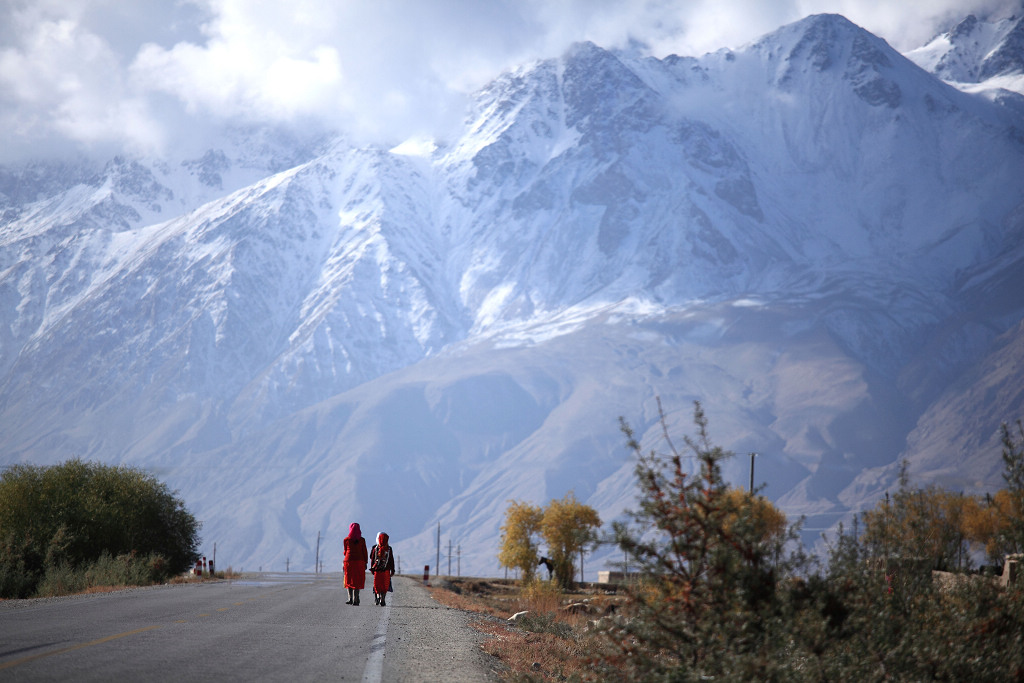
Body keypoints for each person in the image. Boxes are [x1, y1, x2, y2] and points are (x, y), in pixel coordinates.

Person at [343, 522, 368, 606]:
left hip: (349, 562)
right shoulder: (362, 540)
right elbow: (364, 552)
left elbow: (345, 551)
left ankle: (350, 598)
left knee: (348, 579)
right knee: (357, 580)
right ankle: (356, 598)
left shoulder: (346, 540)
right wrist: (366, 562)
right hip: (359, 562)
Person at [369, 531, 395, 606]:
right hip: (386, 570)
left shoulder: (375, 548)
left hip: (377, 570)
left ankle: (378, 597)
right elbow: (391, 560)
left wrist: (372, 568)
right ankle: (382, 597)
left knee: (377, 585)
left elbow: (372, 559)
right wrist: (392, 570)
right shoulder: (389, 549)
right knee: (385, 585)